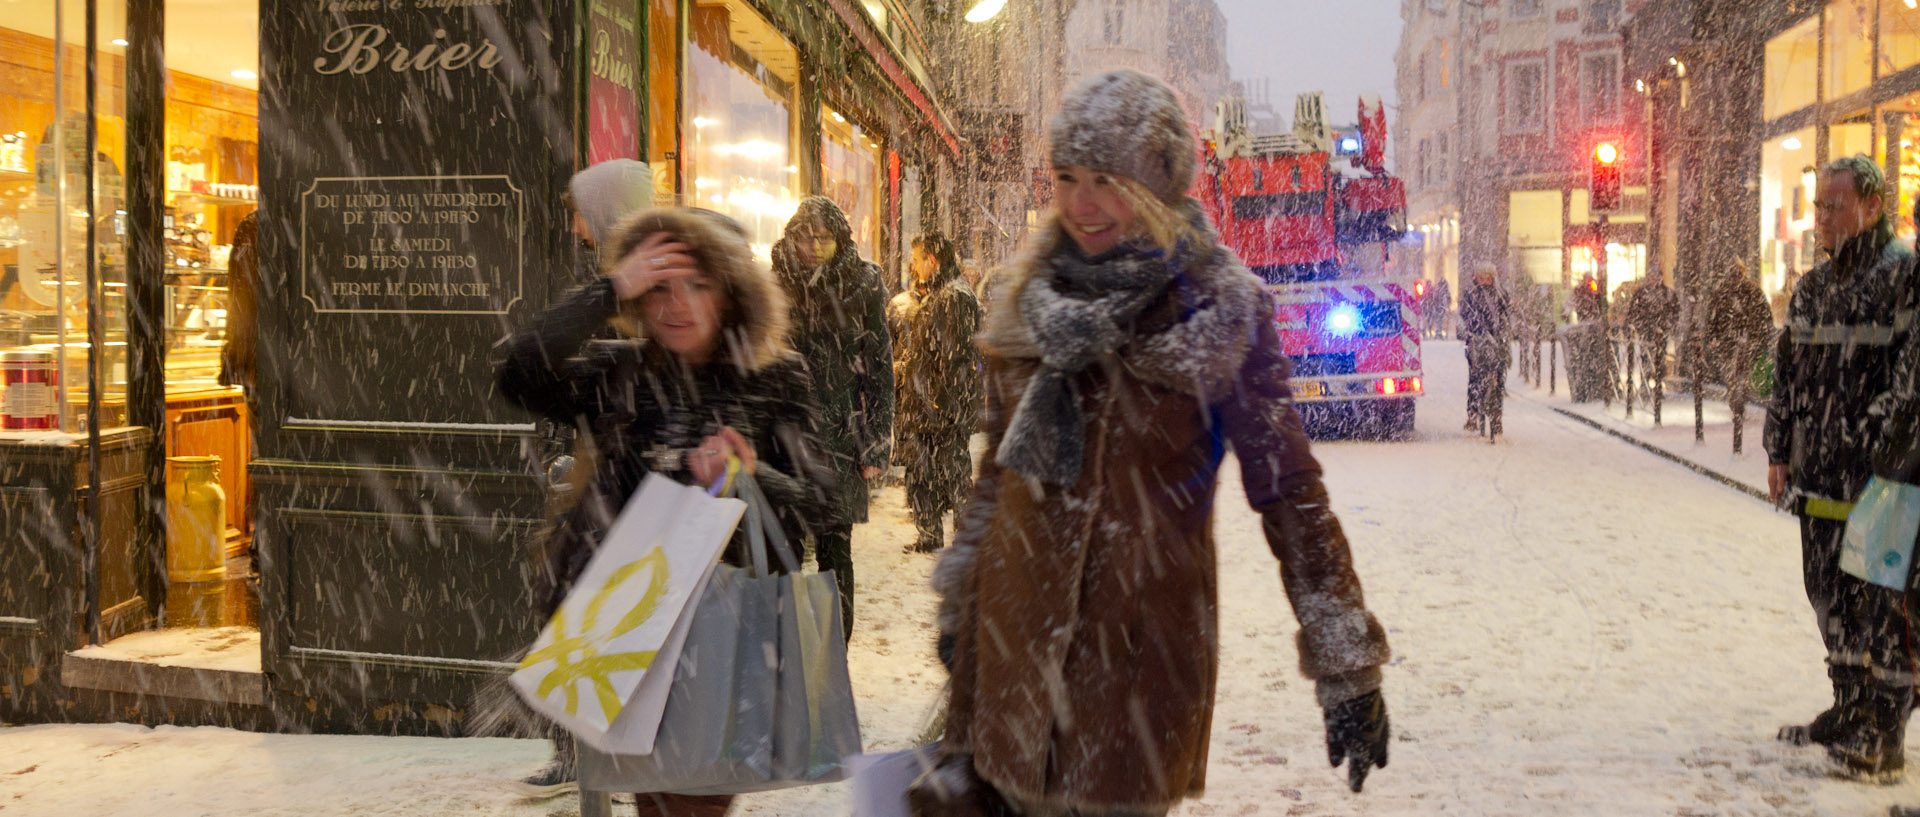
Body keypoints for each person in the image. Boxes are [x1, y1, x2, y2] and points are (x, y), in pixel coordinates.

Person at [915, 70, 1392, 817]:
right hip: (1008, 656)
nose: (1081, 204)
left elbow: (1289, 490)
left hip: (1134, 675)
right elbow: (995, 480)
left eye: (1106, 179)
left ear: (1158, 183)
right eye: (1067, 178)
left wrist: (1346, 658)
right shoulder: (1029, 300)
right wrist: (958, 603)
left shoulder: (1223, 310)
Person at [496, 207, 827, 816]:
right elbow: (519, 373)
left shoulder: (773, 377)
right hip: (622, 626)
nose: (677, 305)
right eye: (659, 289)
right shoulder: (620, 373)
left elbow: (827, 499)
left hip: (719, 628)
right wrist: (610, 288)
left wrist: (755, 474)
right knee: (646, 799)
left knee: (687, 803)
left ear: (729, 293)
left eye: (697, 285)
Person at [1767, 154, 1920, 780]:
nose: (1822, 217)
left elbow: (1910, 383)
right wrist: (1780, 448)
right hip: (1821, 478)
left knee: (1882, 608)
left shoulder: (1904, 278)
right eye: (1820, 205)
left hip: (1882, 483)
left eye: (1834, 205)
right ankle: (1848, 706)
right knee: (1828, 596)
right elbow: (1788, 375)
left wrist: (1884, 460)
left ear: (1872, 206)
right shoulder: (1814, 286)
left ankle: (1882, 733)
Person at [772, 196, 894, 641]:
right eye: (806, 237)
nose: (813, 247)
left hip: (839, 438)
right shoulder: (776, 284)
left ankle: (832, 656)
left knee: (834, 553)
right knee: (780, 550)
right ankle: (781, 655)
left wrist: (876, 440)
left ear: (839, 240)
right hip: (781, 438)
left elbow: (878, 369)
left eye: (824, 238)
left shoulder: (860, 289)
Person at [888, 231, 983, 553]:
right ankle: (936, 535)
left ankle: (962, 539)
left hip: (939, 409)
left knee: (948, 475)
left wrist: (937, 404)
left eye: (916, 260)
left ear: (931, 260)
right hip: (935, 405)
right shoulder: (943, 293)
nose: (914, 267)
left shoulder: (952, 296)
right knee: (929, 475)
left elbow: (953, 357)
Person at [1702, 263, 1773, 451]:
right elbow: (1764, 316)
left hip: (1733, 342)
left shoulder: (1723, 291)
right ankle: (1738, 400)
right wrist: (1761, 337)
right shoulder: (1752, 290)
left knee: (1733, 374)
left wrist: (1712, 337)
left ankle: (1737, 401)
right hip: (1746, 340)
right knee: (1738, 373)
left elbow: (1712, 317)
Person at [1458, 263, 1510, 436]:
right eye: (1481, 277)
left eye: (1488, 277)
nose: (1484, 280)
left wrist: (1505, 331)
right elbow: (1464, 316)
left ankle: (1497, 416)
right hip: (1477, 341)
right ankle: (1472, 415)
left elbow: (1507, 314)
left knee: (1499, 377)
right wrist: (1469, 332)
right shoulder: (1470, 295)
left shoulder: (1500, 294)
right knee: (1475, 378)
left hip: (1497, 342)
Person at [1624, 272, 1678, 415]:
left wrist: (1669, 324)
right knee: (1645, 358)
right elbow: (1633, 310)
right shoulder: (1644, 293)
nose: (1654, 280)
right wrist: (1633, 324)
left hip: (1659, 332)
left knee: (1659, 359)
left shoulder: (1666, 293)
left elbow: (1674, 310)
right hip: (1647, 331)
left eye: (1656, 277)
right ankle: (1645, 384)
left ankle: (1658, 385)